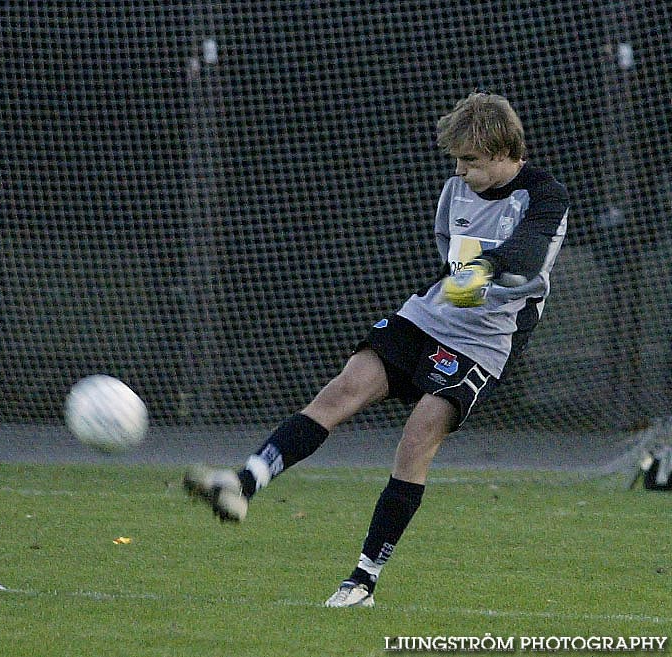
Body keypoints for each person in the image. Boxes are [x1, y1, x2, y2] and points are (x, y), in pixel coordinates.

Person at [184, 91, 570, 608]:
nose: (458, 171)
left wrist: (483, 272)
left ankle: (363, 580)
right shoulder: (454, 190)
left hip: (488, 338)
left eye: (470, 161)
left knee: (418, 435)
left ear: (504, 152)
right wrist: (459, 281)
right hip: (430, 314)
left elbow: (529, 251)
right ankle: (243, 482)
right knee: (344, 388)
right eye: (455, 159)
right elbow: (447, 252)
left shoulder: (545, 194)